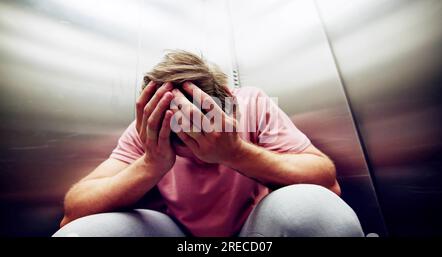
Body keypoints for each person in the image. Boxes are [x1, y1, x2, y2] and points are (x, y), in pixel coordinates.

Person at [53, 50, 363, 237]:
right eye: (179, 136)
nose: (193, 144)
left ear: (228, 103)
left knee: (314, 211)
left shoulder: (250, 103)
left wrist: (235, 153)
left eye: (201, 126)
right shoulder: (150, 128)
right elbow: (75, 210)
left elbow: (327, 182)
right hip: (179, 236)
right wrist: (152, 163)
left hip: (252, 233)